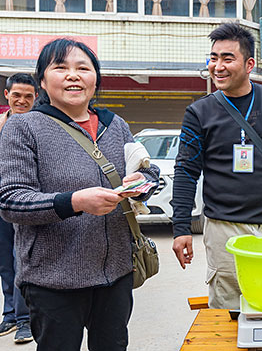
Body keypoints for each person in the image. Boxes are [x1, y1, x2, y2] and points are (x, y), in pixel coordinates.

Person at [0, 38, 159, 351]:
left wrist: (143, 183)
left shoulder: (116, 125)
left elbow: (149, 172)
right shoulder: (23, 127)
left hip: (116, 274)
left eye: (83, 68)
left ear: (95, 78)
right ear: (42, 80)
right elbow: (11, 199)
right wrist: (74, 202)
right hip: (53, 280)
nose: (73, 75)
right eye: (61, 68)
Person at [171, 23, 262, 309]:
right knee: (229, 313)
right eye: (213, 58)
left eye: (227, 58)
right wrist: (181, 228)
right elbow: (186, 171)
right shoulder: (199, 112)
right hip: (224, 229)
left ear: (249, 63)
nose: (218, 66)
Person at [0, 73, 37, 344]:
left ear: (35, 97)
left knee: (19, 259)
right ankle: (10, 314)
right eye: (17, 95)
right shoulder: (0, 125)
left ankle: (25, 320)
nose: (22, 101)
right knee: (4, 263)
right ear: (7, 95)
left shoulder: (37, 126)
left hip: (24, 204)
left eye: (28, 96)